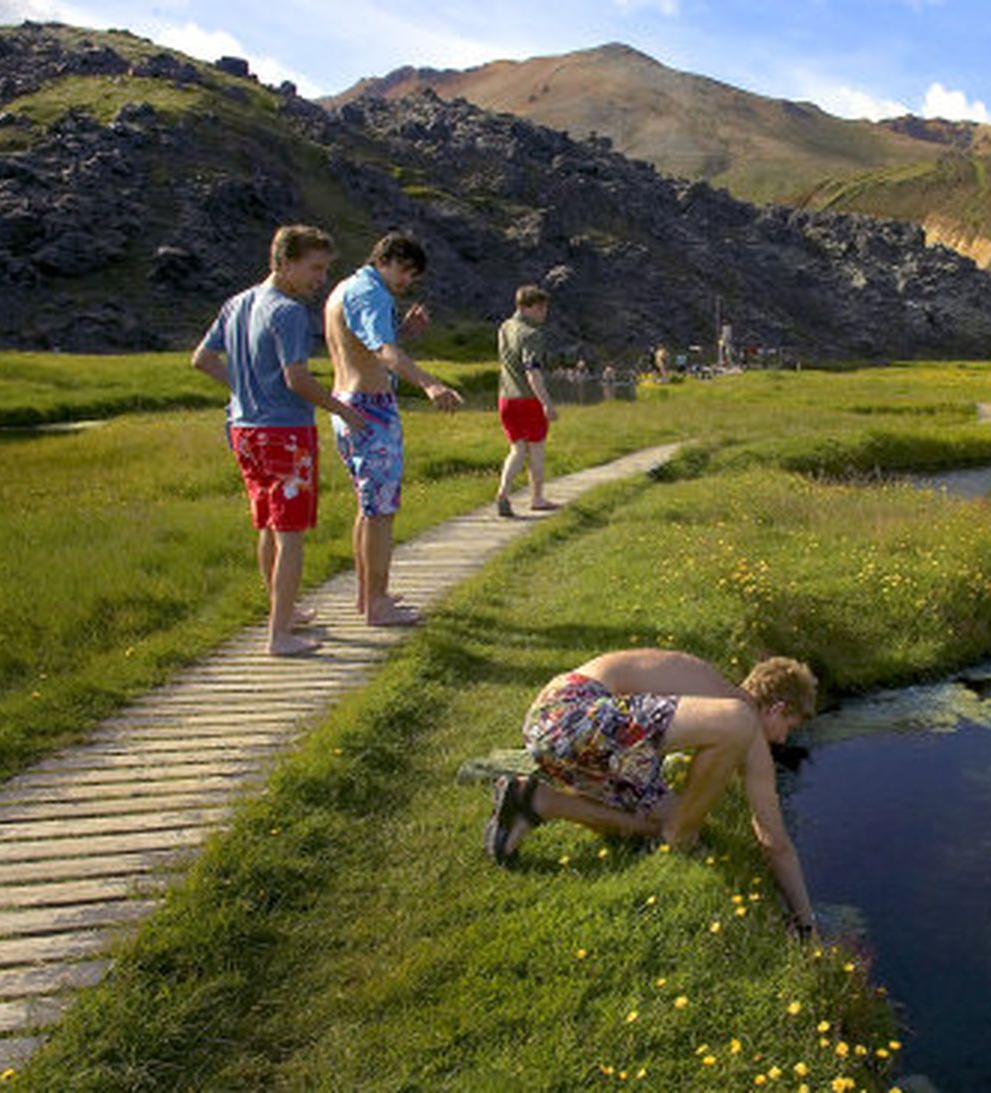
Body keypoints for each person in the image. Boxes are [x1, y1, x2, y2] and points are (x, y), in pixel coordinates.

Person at [485, 648, 820, 936]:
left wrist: (805, 926)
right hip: (567, 716)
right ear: (776, 708)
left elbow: (773, 839)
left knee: (662, 816)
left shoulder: (720, 700)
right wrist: (808, 925)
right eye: (788, 728)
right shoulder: (735, 710)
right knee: (736, 723)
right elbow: (776, 842)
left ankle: (537, 801)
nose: (782, 740)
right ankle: (680, 836)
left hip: (566, 740)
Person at [192, 224, 368, 657]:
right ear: (285, 262)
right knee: (291, 531)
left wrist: (243, 388)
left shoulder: (237, 304)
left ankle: (283, 613)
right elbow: (297, 380)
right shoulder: (288, 312)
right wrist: (343, 410)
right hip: (284, 433)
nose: (320, 279)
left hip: (244, 430)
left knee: (268, 524)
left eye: (324, 270)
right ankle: (279, 635)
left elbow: (202, 359)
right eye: (314, 268)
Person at [323, 232, 463, 626]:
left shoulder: (344, 290)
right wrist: (430, 383)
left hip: (346, 402)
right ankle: (378, 604)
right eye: (405, 273)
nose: (406, 283)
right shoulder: (372, 294)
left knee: (369, 508)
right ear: (387, 260)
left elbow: (367, 346)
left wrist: (403, 331)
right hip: (371, 409)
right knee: (382, 511)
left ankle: (367, 596)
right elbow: (382, 353)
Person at [493, 284, 558, 517]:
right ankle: (537, 498)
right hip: (528, 400)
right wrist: (546, 403)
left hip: (505, 398)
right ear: (530, 307)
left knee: (517, 450)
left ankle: (503, 491)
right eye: (541, 309)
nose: (544, 313)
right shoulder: (532, 334)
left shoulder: (505, 327)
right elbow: (532, 371)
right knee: (536, 450)